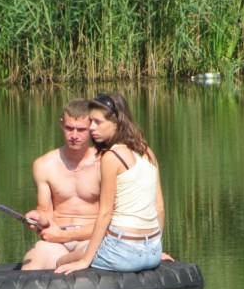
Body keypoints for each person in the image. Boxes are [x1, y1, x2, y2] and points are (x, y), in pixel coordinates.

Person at [55, 92, 169, 274]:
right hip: (153, 252)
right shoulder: (147, 152)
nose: (91, 128)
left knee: (62, 261)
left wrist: (85, 260)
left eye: (98, 122)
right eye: (91, 121)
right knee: (85, 249)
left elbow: (105, 213)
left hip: (122, 253)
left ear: (116, 123)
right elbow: (160, 207)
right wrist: (156, 249)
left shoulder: (112, 157)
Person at [20, 99, 101, 270]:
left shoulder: (105, 163)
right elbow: (45, 212)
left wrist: (64, 235)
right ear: (61, 124)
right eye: (69, 128)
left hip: (90, 237)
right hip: (55, 237)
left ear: (92, 128)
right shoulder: (44, 165)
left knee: (89, 253)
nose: (74, 135)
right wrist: (37, 217)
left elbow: (113, 219)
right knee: (31, 263)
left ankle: (63, 263)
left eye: (81, 130)